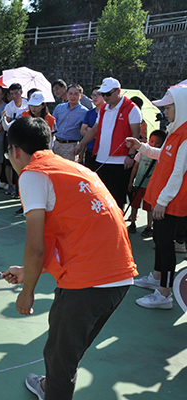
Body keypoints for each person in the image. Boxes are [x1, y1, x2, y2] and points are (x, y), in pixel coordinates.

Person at [1, 116, 137, 400]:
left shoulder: (33, 174)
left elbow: (36, 246)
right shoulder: (73, 168)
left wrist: (27, 292)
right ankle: (49, 386)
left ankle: (54, 389)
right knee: (66, 350)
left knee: (60, 357)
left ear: (15, 151)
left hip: (88, 284)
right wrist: (28, 271)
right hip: (120, 277)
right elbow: (77, 234)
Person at [128, 84, 187, 309]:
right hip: (164, 198)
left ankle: (164, 294)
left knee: (165, 245)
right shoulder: (175, 130)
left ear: (181, 107)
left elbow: (178, 172)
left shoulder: (185, 135)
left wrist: (162, 201)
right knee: (160, 241)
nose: (165, 111)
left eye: (169, 107)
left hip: (170, 202)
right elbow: (164, 156)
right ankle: (156, 277)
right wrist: (142, 147)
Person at [75, 77, 141, 209]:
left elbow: (135, 134)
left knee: (117, 197)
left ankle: (117, 220)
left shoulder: (132, 108)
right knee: (100, 194)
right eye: (103, 94)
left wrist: (131, 155)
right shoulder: (104, 108)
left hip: (120, 160)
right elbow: (95, 129)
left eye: (108, 94)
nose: (105, 97)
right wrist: (81, 144)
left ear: (118, 91)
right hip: (101, 158)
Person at [127, 129, 166, 237]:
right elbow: (135, 167)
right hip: (138, 184)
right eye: (152, 141)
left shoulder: (160, 156)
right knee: (134, 205)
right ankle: (133, 223)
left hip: (151, 187)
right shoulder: (141, 152)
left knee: (149, 208)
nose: (154, 144)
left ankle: (149, 227)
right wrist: (131, 182)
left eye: (157, 143)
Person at [51, 84, 88, 161]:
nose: (72, 96)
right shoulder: (59, 108)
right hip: (56, 144)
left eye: (76, 94)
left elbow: (86, 133)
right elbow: (52, 125)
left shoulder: (85, 112)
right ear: (67, 95)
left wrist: (82, 150)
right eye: (70, 93)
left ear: (81, 96)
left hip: (71, 146)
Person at [79, 86, 104, 171]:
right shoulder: (89, 113)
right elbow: (82, 131)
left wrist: (90, 131)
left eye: (98, 94)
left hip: (102, 152)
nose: (95, 97)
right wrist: (94, 134)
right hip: (90, 150)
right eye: (93, 95)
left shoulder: (108, 113)